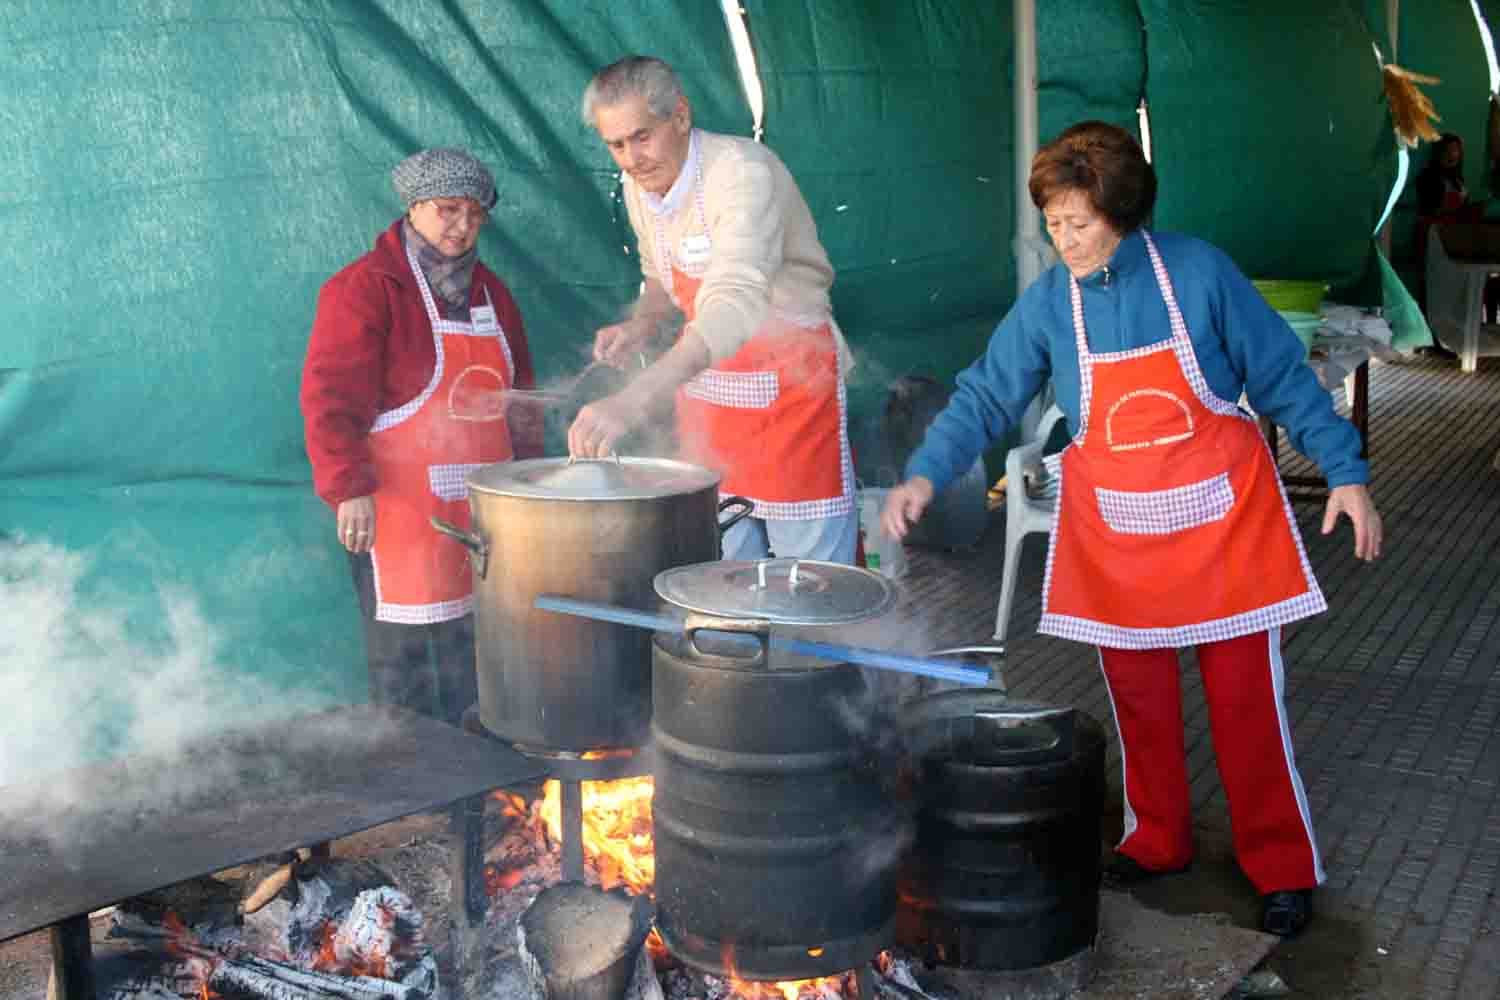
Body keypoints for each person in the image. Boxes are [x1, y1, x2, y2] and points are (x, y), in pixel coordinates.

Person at [881, 122, 1383, 939]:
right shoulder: (1049, 303)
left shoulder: (1198, 273)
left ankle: (1282, 866)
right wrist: (926, 472)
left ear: (1124, 211)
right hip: (1119, 525)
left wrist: (1347, 473)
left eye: (1079, 223)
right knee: (1139, 700)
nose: (1064, 240)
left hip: (1223, 521)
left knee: (1245, 704)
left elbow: (1282, 376)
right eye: (1053, 222)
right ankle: (1159, 841)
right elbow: (984, 395)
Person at [567, 55, 858, 564]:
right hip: (710, 398)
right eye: (616, 145)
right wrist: (644, 320)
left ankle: (810, 646)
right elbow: (660, 274)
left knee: (810, 583)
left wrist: (636, 397)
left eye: (642, 136)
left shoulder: (741, 173)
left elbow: (735, 298)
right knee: (722, 573)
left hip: (792, 388)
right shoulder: (641, 187)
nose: (632, 159)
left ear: (680, 116)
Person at [301, 147, 541, 726]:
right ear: (413, 208)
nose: (462, 227)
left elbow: (522, 402)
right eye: (447, 210)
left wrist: (538, 485)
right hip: (399, 514)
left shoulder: (494, 296)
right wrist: (346, 488)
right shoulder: (364, 289)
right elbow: (330, 398)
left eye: (475, 214)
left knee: (483, 658)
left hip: (488, 515)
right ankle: (417, 801)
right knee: (404, 670)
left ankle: (489, 800)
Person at [1415, 133, 1473, 218]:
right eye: (1447, 150)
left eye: (1455, 150)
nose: (1452, 154)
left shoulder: (1457, 178)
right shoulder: (1428, 178)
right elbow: (1427, 210)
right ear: (1438, 153)